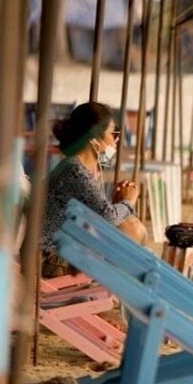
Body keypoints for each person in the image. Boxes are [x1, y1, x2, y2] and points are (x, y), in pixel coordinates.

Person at [40, 102, 147, 277]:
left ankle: (122, 286)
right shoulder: (74, 171)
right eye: (114, 132)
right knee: (132, 229)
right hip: (51, 259)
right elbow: (109, 217)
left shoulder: (78, 166)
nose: (117, 138)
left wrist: (118, 204)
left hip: (60, 252)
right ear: (94, 139)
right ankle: (122, 288)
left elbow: (101, 167)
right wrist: (128, 201)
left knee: (132, 226)